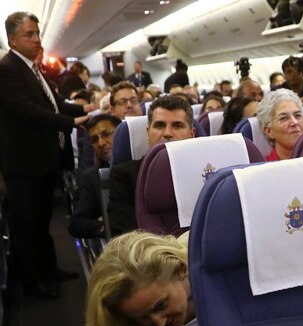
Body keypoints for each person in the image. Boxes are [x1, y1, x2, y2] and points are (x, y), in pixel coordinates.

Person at [0, 11, 94, 298]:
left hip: (40, 161)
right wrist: (71, 123)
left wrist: (84, 110)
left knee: (41, 221)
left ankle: (48, 270)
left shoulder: (31, 68)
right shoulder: (7, 69)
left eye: (37, 33)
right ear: (12, 39)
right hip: (23, 163)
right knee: (27, 224)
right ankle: (31, 283)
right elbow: (28, 111)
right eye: (29, 34)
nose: (36, 39)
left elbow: (53, 103)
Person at [108, 95, 196, 237]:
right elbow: (126, 238)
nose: (167, 133)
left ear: (192, 135)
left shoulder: (202, 173)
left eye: (177, 125)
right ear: (148, 134)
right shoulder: (125, 176)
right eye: (159, 125)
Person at [69, 114, 119, 239]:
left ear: (121, 133)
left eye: (106, 134)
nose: (101, 143)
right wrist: (107, 227)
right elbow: (77, 224)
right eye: (95, 140)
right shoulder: (92, 177)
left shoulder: (146, 165)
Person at [258, 89, 303, 161]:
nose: (294, 122)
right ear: (269, 131)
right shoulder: (264, 169)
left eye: (297, 115)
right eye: (284, 118)